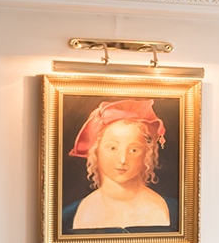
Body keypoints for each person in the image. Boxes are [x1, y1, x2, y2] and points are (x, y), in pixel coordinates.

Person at [63, 99, 176, 234]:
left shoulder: (176, 212)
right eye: (112, 148)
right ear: (96, 151)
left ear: (146, 154)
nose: (122, 159)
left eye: (133, 150)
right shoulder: (67, 217)